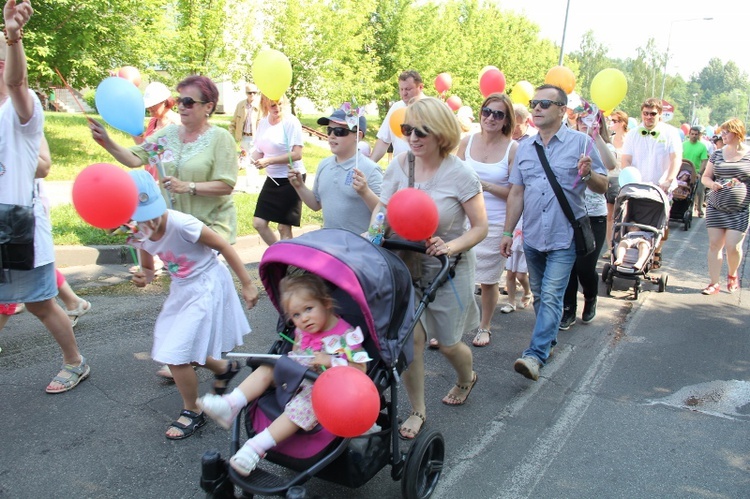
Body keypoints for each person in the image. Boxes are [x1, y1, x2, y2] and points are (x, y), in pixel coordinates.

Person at [371, 97, 487, 438]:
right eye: (408, 130)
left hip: (447, 267)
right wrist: (374, 235)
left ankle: (467, 378)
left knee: (449, 343)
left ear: (441, 134)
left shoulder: (461, 174)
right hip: (405, 264)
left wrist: (447, 246)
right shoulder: (402, 163)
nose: (414, 137)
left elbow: (481, 228)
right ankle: (418, 409)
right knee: (413, 341)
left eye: (422, 131)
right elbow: (382, 206)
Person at [126, 170, 259, 439]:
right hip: (182, 288)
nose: (147, 223)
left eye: (151, 214)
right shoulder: (140, 234)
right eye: (139, 219)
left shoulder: (181, 223)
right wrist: (144, 278)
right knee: (169, 341)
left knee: (176, 353)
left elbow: (223, 245)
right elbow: (149, 269)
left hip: (208, 283)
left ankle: (193, 411)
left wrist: (247, 282)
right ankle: (223, 368)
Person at [0, 0, 90, 393]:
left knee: (38, 302)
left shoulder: (21, 113)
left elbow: (18, 83)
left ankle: (75, 361)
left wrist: (13, 37)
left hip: (19, 226)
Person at [197, 273, 369, 475]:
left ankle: (256, 447)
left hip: (324, 390)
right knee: (268, 367)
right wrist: (296, 359)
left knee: (303, 404)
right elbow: (297, 350)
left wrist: (329, 361)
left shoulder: (345, 335)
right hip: (297, 378)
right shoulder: (303, 329)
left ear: (326, 303)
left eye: (308, 309)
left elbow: (361, 370)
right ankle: (232, 403)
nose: (303, 319)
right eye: (295, 315)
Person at [500, 85, 607, 382]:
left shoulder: (582, 143)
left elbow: (603, 186)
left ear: (562, 110)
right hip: (533, 235)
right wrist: (508, 231)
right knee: (540, 297)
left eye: (545, 103)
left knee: (550, 297)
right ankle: (547, 340)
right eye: (535, 103)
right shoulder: (524, 147)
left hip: (564, 237)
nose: (537, 108)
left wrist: (589, 174)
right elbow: (517, 193)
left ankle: (535, 355)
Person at [90, 75, 239, 244]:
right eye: (179, 100)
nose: (182, 106)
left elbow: (226, 186)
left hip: (210, 230)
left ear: (208, 106)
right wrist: (107, 142)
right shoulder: (167, 135)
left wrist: (186, 186)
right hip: (175, 229)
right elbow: (134, 158)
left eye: (189, 102)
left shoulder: (220, 138)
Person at [457, 93, 517, 347]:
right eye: (487, 111)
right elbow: (453, 176)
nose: (491, 118)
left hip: (494, 221)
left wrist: (483, 186)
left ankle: (485, 326)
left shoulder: (513, 148)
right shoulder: (466, 142)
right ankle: (452, 328)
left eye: (498, 114)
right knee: (456, 276)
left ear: (506, 120)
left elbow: (515, 193)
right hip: (462, 220)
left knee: (489, 280)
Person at [560, 108, 618, 330]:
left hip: (594, 215)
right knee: (568, 265)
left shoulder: (601, 145)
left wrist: (594, 134)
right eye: (580, 120)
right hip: (571, 214)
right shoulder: (571, 143)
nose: (583, 123)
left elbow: (611, 164)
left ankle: (591, 296)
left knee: (585, 266)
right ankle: (568, 310)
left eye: (589, 121)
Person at [288, 106, 382, 235]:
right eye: (329, 130)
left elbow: (383, 213)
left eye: (339, 131)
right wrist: (299, 186)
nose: (332, 136)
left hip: (358, 248)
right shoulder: (324, 165)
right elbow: (316, 205)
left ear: (358, 135)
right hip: (329, 244)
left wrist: (365, 192)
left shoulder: (370, 169)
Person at [621, 98, 682, 269]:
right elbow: (626, 159)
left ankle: (657, 250)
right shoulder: (634, 133)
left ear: (660, 114)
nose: (649, 117)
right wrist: (629, 177)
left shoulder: (670, 133)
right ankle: (632, 250)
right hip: (638, 187)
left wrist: (669, 179)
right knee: (634, 219)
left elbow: (675, 158)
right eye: (645, 113)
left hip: (661, 185)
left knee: (663, 221)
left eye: (653, 114)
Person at [700, 118, 750, 295]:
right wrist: (712, 184)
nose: (723, 135)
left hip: (739, 210)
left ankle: (732, 274)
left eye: (726, 132)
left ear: (737, 133)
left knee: (732, 247)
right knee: (715, 245)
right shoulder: (718, 153)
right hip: (716, 206)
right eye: (722, 132)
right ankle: (714, 283)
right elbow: (705, 177)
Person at [251, 94, 306, 246]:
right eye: (273, 105)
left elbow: (297, 154)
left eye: (280, 104)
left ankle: (286, 264)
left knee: (283, 227)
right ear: (265, 105)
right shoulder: (263, 123)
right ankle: (279, 254)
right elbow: (259, 150)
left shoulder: (291, 122)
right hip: (273, 178)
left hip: (291, 178)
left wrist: (269, 161)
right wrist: (246, 159)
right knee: (259, 223)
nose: (277, 108)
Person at [370, 70, 426, 163]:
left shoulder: (432, 107)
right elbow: (383, 140)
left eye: (408, 89)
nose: (404, 93)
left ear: (420, 87)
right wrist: (370, 164)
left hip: (425, 169)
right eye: (401, 89)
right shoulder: (396, 107)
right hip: (399, 169)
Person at [603, 109, 629, 258]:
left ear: (623, 123)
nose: (611, 123)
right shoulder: (610, 141)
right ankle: (610, 246)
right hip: (611, 179)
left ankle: (623, 245)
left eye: (615, 121)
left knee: (624, 215)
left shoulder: (630, 140)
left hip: (625, 179)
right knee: (610, 215)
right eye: (610, 121)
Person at [133, 81, 180, 150]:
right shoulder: (153, 121)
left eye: (153, 104)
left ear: (164, 102)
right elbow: (145, 147)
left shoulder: (178, 123)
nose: (149, 108)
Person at [499, 220, 531, 314]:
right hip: (513, 238)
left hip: (527, 239)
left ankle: (527, 292)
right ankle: (511, 303)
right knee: (510, 274)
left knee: (521, 275)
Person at [683, 126, 709, 217]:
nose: (694, 136)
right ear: (689, 134)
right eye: (692, 134)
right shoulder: (683, 145)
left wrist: (699, 172)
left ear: (698, 135)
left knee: (699, 190)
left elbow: (704, 161)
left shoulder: (702, 147)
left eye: (696, 134)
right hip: (684, 171)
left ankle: (699, 209)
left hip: (696, 172)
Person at [228, 83, 260, 155]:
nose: (252, 94)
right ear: (246, 93)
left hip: (255, 137)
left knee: (253, 160)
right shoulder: (240, 105)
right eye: (250, 93)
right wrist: (230, 132)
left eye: (254, 92)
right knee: (244, 157)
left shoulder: (260, 106)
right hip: (244, 137)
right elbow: (234, 121)